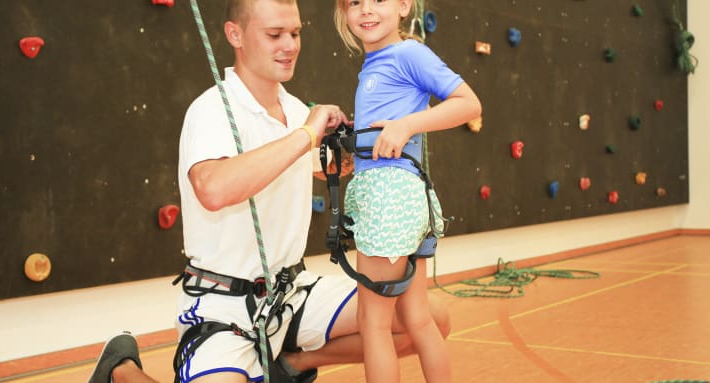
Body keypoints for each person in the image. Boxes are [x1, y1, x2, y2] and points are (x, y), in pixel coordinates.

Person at [88, 1, 451, 382]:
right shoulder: (212, 109)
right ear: (235, 35)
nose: (290, 46)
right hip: (224, 308)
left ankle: (292, 366)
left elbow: (325, 166)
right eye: (274, 35)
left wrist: (359, 142)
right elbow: (212, 189)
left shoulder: (297, 111)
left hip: (292, 295)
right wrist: (306, 136)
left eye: (295, 34)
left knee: (427, 319)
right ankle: (121, 371)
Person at [332, 0, 482, 382]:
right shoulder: (376, 63)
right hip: (403, 196)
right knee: (416, 317)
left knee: (374, 323)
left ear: (403, 6)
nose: (365, 10)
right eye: (354, 3)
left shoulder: (408, 53)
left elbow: (468, 103)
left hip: (389, 196)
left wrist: (406, 126)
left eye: (377, 0)